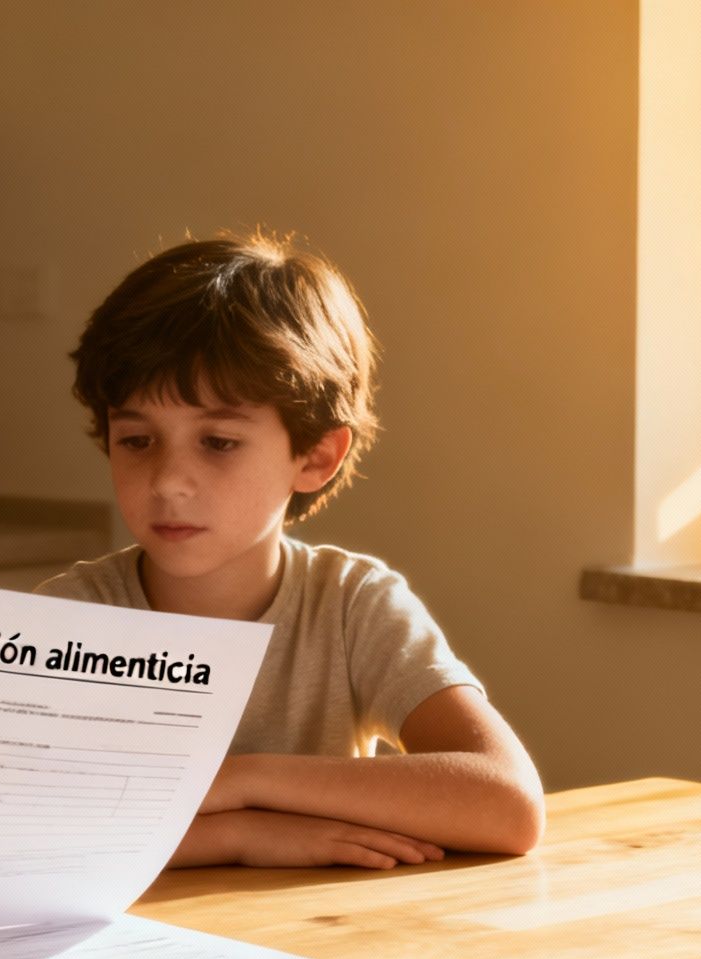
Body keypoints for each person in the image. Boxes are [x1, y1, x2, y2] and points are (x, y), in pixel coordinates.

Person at [37, 234, 546, 869]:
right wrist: (238, 835)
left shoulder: (352, 603)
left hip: (313, 946)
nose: (167, 481)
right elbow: (14, 837)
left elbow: (508, 803)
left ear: (315, 456)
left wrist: (242, 781)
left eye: (218, 441)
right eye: (137, 439)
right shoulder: (68, 619)